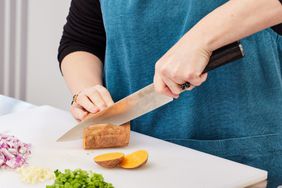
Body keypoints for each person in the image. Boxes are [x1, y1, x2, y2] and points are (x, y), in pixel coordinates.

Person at [58, 0, 282, 187]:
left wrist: (200, 40)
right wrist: (86, 89)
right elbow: (81, 40)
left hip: (239, 157)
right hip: (133, 155)